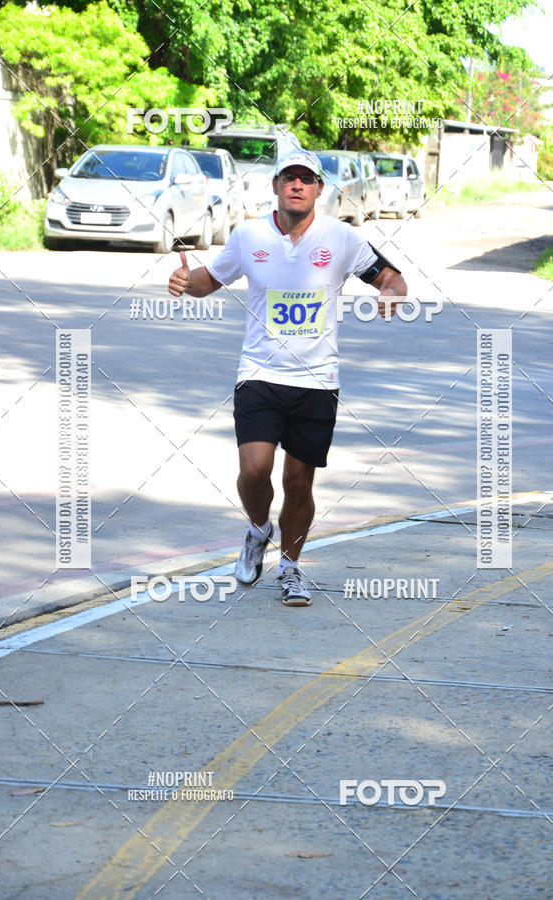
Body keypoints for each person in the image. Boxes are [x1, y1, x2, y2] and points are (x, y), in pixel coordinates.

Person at [168, 145, 407, 606]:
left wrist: (393, 295)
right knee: (254, 471)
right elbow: (210, 280)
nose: (297, 185)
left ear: (319, 189)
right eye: (288, 178)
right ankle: (259, 528)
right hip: (259, 373)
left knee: (300, 483)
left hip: (317, 380)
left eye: (306, 179)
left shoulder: (342, 238)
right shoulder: (248, 235)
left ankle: (291, 569)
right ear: (276, 186)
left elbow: (391, 277)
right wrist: (184, 282)